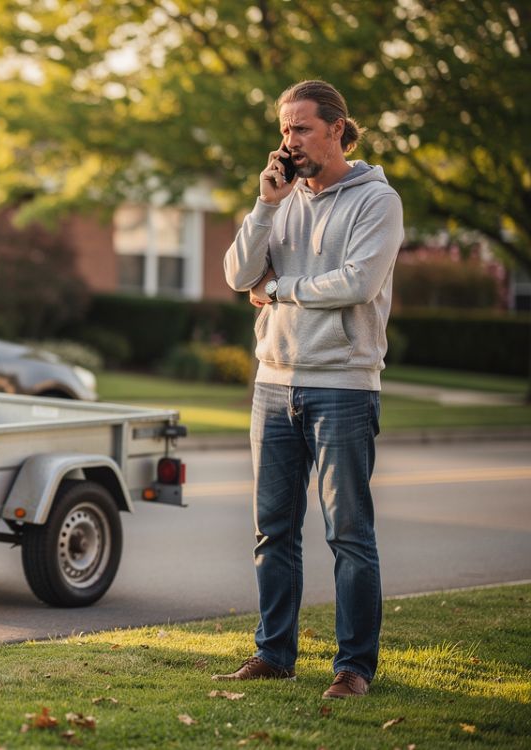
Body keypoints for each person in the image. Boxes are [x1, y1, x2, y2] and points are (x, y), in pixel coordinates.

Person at [215, 80, 404, 699]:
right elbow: (238, 274)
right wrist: (265, 206)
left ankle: (354, 669)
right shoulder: (283, 197)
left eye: (299, 128)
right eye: (284, 128)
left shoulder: (377, 201)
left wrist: (282, 288)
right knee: (273, 529)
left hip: (344, 386)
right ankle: (274, 654)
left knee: (349, 533)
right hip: (274, 383)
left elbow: (355, 282)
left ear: (338, 130)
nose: (287, 141)